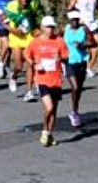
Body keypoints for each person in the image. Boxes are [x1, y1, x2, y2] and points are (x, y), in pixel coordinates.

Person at [27, 16, 69, 145]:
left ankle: (49, 134)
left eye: (52, 27)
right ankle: (45, 130)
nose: (50, 29)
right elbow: (27, 55)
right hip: (41, 79)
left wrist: (60, 58)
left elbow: (66, 57)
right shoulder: (36, 42)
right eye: (47, 27)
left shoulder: (59, 41)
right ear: (42, 28)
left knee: (54, 109)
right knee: (49, 107)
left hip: (55, 79)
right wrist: (34, 64)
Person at [62, 9, 98, 126]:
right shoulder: (65, 29)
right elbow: (56, 39)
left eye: (76, 20)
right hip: (69, 62)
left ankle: (75, 111)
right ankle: (74, 112)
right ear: (69, 20)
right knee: (75, 87)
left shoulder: (84, 29)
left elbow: (94, 43)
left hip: (81, 61)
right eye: (72, 20)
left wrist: (82, 45)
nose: (74, 22)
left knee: (79, 89)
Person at [4, 0, 36, 101]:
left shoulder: (33, 4)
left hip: (29, 37)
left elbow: (34, 19)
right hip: (16, 38)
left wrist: (36, 29)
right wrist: (14, 30)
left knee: (30, 64)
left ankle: (29, 91)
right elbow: (3, 22)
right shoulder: (11, 6)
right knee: (19, 65)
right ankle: (13, 76)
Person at [68, 0, 98, 73]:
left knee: (95, 47)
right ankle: (76, 64)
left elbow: (97, 4)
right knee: (82, 46)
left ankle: (89, 68)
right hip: (81, 25)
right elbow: (69, 9)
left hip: (93, 23)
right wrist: (76, 18)